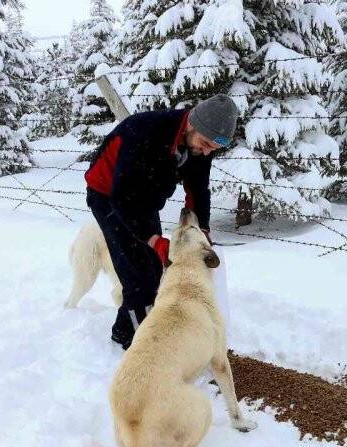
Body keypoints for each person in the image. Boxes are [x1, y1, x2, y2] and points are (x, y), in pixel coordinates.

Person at [84, 94, 240, 349]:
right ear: (192, 123)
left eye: (214, 148)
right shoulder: (146, 132)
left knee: (156, 269)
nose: (207, 151)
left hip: (144, 197)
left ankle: (124, 330)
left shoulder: (200, 144)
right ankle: (140, 347)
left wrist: (202, 231)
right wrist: (155, 240)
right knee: (138, 276)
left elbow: (198, 190)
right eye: (205, 143)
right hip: (108, 195)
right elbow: (123, 198)